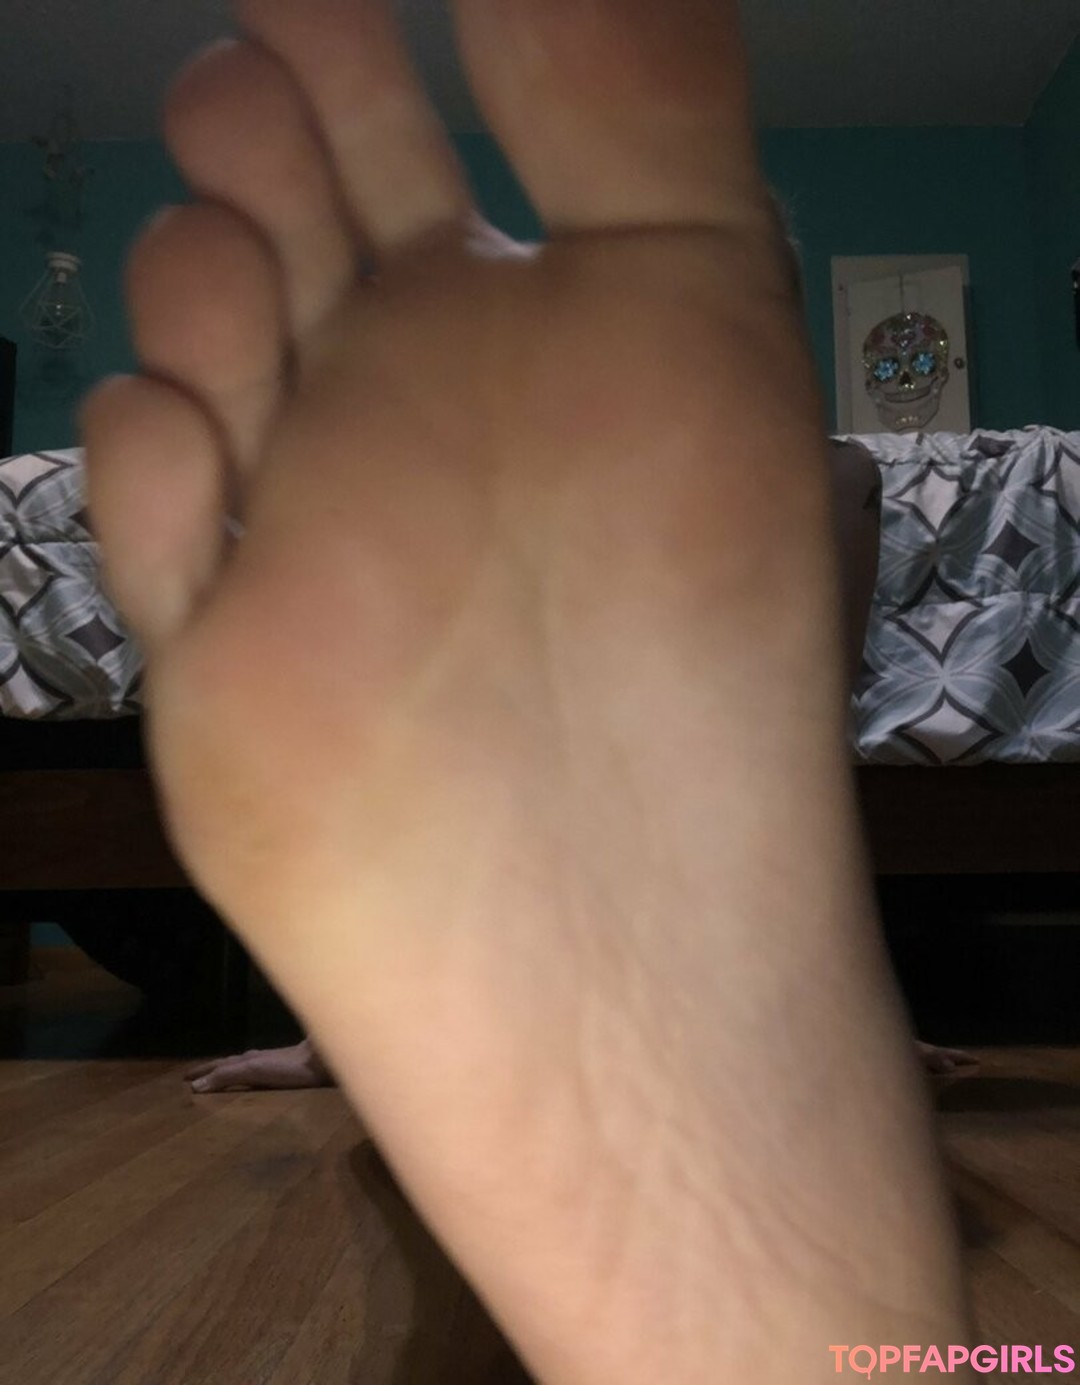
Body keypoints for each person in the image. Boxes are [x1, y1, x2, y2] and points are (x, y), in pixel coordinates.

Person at [82, 0, 976, 1378]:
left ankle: (749, 1051)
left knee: (816, 506)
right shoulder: (536, 497)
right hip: (523, 796)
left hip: (712, 839)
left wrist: (838, 1004)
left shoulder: (822, 488)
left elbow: (801, 762)